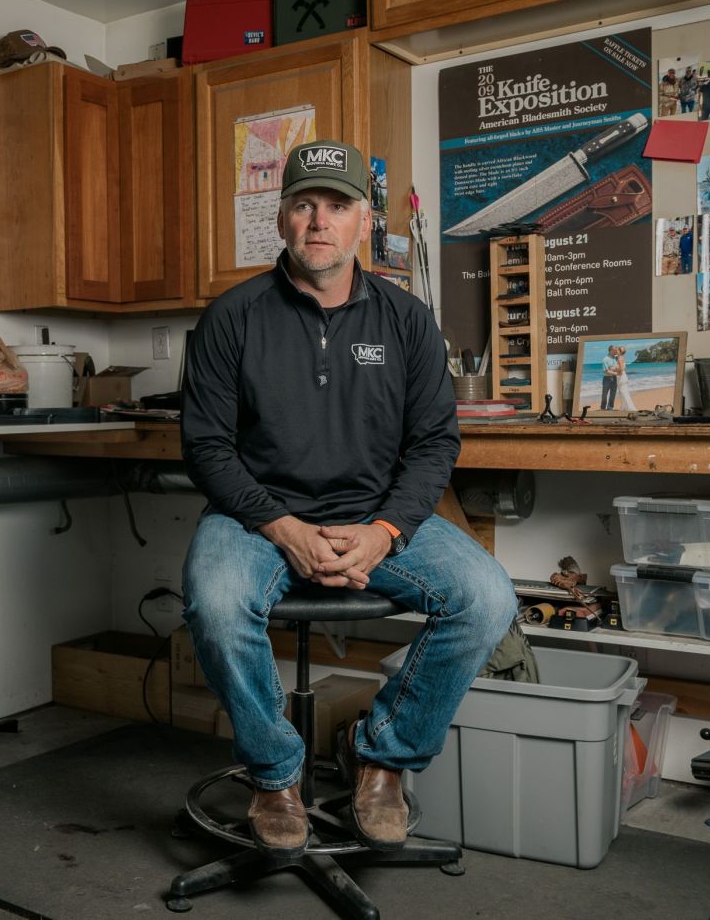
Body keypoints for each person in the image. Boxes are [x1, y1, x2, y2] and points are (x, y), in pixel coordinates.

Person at [180, 139, 517, 858]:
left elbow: (434, 443)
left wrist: (387, 530)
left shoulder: (407, 322)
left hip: (376, 514)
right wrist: (283, 527)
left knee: (488, 597)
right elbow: (206, 446)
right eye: (304, 205)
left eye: (338, 206)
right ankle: (275, 773)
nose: (320, 221)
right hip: (257, 517)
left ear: (366, 221)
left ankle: (386, 758)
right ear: (281, 219)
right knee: (213, 599)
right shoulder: (231, 318)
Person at [614, 346, 639, 411]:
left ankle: (630, 408)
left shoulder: (619, 359)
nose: (616, 350)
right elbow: (624, 368)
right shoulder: (622, 357)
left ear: (620, 352)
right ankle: (623, 407)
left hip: (621, 377)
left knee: (624, 393)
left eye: (618, 350)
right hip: (623, 377)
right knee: (623, 392)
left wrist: (615, 370)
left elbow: (621, 369)